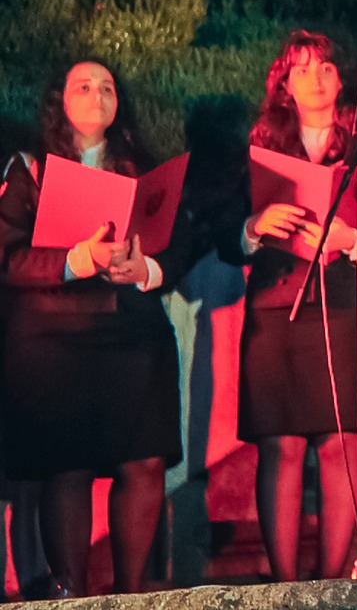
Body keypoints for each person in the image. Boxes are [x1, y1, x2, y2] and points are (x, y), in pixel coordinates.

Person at [0, 61, 205, 595]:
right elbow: (8, 257)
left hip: (132, 336)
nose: (97, 95)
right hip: (53, 340)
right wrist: (75, 260)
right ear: (58, 102)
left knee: (143, 460)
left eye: (108, 87)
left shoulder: (143, 171)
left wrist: (146, 271)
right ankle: (72, 593)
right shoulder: (30, 170)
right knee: (68, 465)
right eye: (84, 86)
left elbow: (180, 245)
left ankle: (132, 593)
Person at [229, 31, 357, 580]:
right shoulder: (261, 148)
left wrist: (352, 240)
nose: (315, 77)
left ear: (341, 79)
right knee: (281, 448)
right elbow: (219, 233)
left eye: (325, 68)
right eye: (301, 69)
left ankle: (336, 583)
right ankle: (284, 585)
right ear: (284, 85)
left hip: (344, 310)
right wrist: (253, 228)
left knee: (343, 444)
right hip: (276, 312)